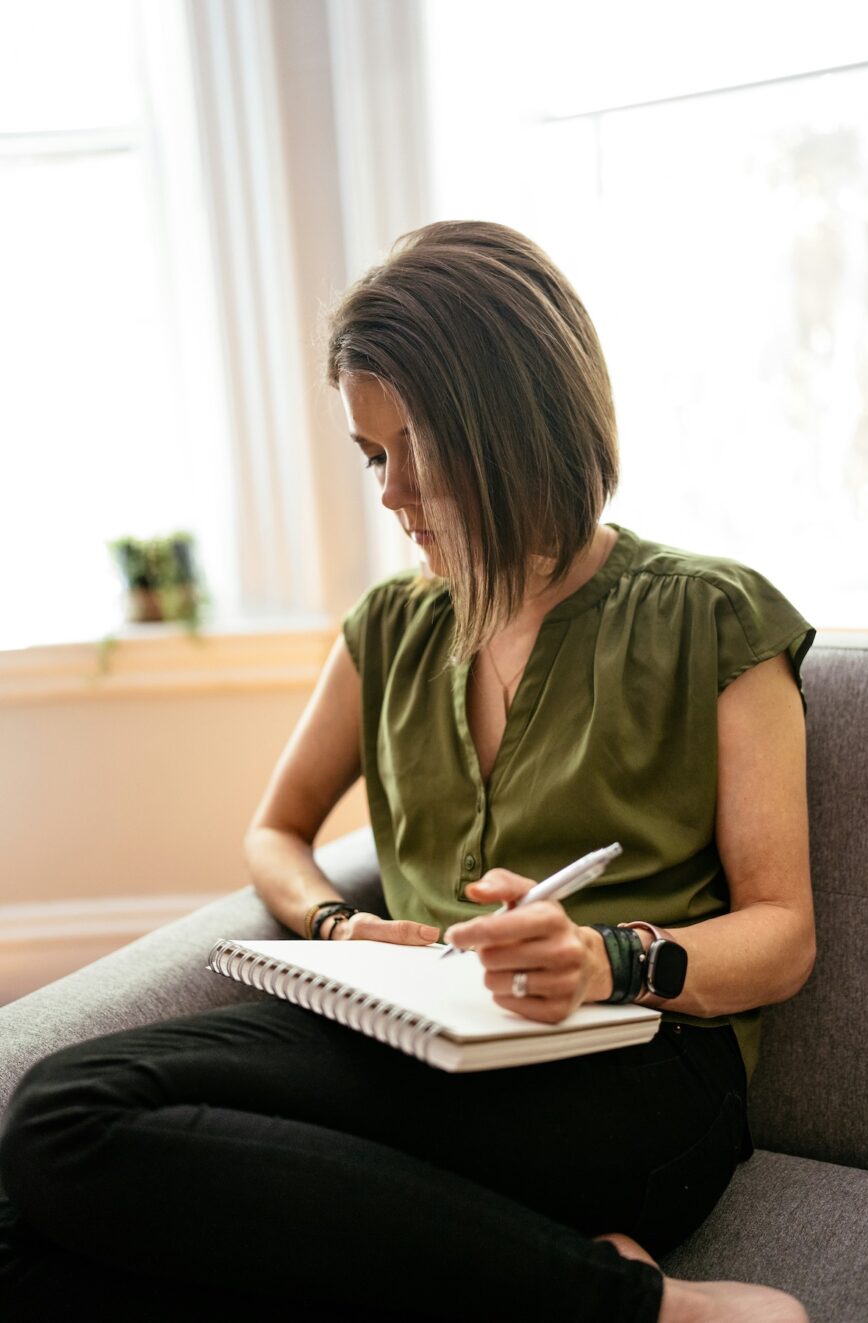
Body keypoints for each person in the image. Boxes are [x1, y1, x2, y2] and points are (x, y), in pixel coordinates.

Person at [0, 221, 814, 1322]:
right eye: (371, 455)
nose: (388, 492)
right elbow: (274, 835)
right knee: (51, 1136)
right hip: (418, 1033)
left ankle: (658, 1311)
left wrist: (601, 959)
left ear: (511, 418)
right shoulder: (390, 626)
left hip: (638, 1069)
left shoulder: (712, 616)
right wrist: (338, 928)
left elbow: (782, 936)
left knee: (91, 1174)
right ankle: (584, 1284)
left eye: (411, 446)